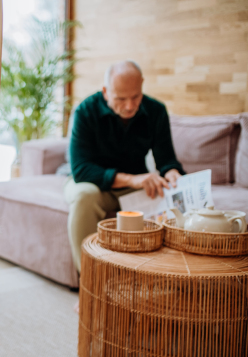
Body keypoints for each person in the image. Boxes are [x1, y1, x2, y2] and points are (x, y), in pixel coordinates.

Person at [65, 60, 184, 274]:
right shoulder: (85, 111)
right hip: (94, 184)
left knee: (170, 194)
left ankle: (165, 275)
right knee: (83, 196)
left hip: (134, 188)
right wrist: (133, 179)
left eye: (135, 96)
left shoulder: (156, 111)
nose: (130, 106)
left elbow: (166, 160)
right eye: (121, 98)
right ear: (105, 92)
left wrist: (172, 173)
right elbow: (81, 170)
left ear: (142, 86)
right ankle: (89, 282)